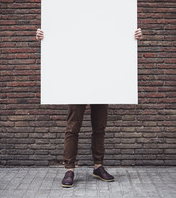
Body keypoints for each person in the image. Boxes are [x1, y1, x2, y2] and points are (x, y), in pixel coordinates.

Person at [36, 27, 143, 188]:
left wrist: (131, 37)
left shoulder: (104, 18)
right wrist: (46, 37)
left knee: (100, 127)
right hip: (77, 79)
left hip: (101, 78)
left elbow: (115, 37)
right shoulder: (71, 19)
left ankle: (98, 167)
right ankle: (69, 169)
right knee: (72, 128)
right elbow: (61, 36)